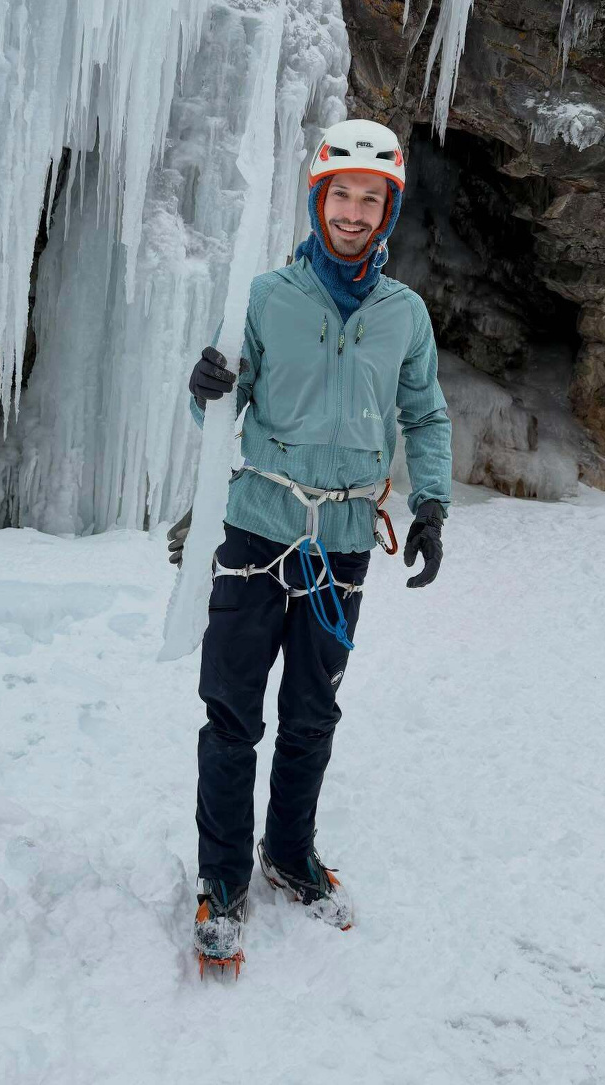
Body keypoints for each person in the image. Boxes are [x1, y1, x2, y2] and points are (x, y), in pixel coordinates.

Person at [173, 119, 452, 975]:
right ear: (319, 199)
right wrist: (203, 386)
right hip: (258, 528)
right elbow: (219, 410)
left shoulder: (404, 315)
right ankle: (222, 880)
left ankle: (287, 855)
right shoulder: (263, 298)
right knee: (232, 715)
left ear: (389, 210)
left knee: (311, 714)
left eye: (374, 198)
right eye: (344, 195)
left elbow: (426, 414)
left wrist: (433, 504)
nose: (356, 211)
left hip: (340, 542)